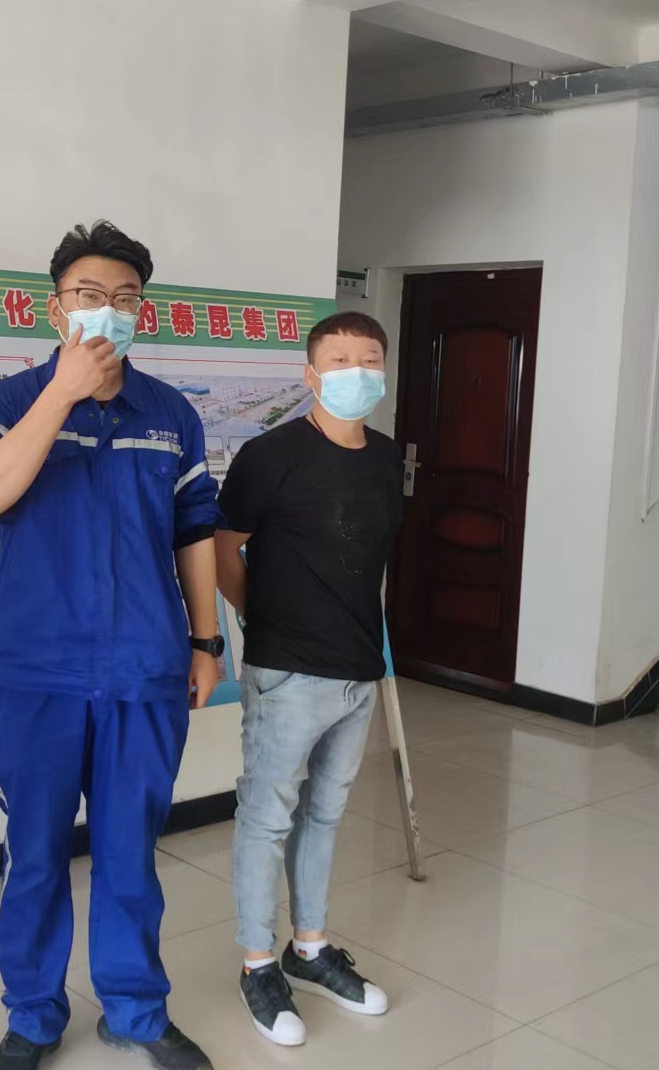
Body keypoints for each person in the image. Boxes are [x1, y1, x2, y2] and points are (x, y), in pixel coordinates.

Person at [0, 222, 223, 1070]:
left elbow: (195, 533)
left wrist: (207, 640)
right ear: (54, 307)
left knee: (129, 852)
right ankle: (34, 1016)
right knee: (35, 853)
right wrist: (63, 393)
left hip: (145, 665)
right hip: (37, 671)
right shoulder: (9, 401)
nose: (108, 310)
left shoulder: (171, 414)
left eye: (125, 298)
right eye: (89, 296)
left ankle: (136, 1011)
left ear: (144, 309)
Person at [215, 311, 403, 1047]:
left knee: (325, 814)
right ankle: (258, 963)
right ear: (311, 374)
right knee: (267, 817)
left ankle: (310, 947)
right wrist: (262, 619)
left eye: (369, 358)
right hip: (288, 670)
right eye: (340, 359)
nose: (357, 372)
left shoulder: (385, 457)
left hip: (359, 668)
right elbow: (224, 549)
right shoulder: (271, 455)